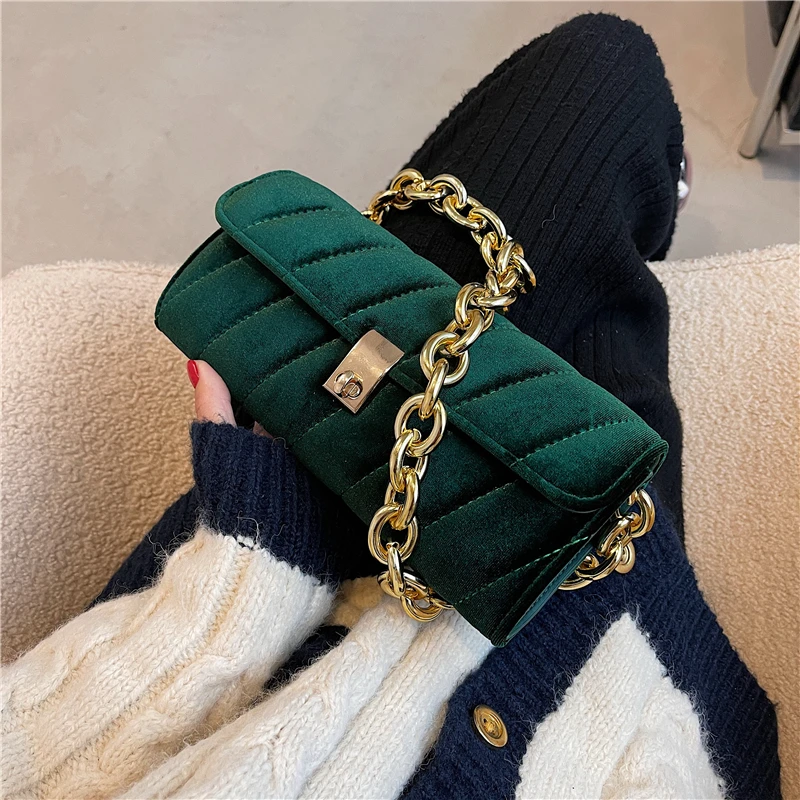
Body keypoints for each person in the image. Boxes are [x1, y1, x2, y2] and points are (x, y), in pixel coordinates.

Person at [1, 13, 781, 800]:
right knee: (602, 80)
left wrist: (245, 573)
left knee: (592, 127)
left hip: (254, 598)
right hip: (620, 683)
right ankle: (649, 212)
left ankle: (642, 221)